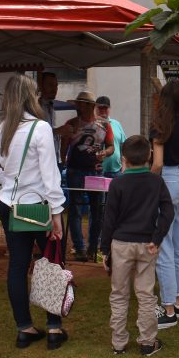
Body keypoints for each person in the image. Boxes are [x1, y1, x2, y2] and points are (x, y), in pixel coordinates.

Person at [0, 73, 67, 350]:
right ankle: (53, 328)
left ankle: (24, 328)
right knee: (52, 262)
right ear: (32, 97)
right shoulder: (40, 128)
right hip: (40, 204)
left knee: (17, 265)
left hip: (10, 203)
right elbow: (50, 174)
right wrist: (57, 212)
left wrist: (7, 179)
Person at [100, 135, 174, 357]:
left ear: (124, 159)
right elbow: (168, 211)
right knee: (145, 294)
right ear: (149, 156)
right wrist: (157, 238)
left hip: (120, 244)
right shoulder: (156, 181)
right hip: (147, 245)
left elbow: (108, 220)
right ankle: (147, 343)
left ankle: (119, 343)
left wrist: (105, 251)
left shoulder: (117, 183)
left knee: (119, 294)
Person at [150, 79, 179, 330]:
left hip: (167, 180)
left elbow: (157, 164)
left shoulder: (160, 126)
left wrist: (147, 186)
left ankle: (167, 310)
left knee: (163, 246)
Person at [61, 89, 114, 262]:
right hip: (75, 170)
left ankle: (92, 248)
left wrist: (104, 153)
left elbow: (111, 146)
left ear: (89, 106)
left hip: (95, 170)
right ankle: (80, 248)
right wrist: (64, 162)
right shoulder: (71, 123)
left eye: (80, 104)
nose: (78, 107)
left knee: (97, 209)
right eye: (78, 104)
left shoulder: (104, 125)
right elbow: (64, 145)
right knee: (75, 209)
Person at [96, 96, 126, 179]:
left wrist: (123, 167)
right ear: (95, 108)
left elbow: (123, 146)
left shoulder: (117, 124)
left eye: (105, 108)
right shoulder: (92, 124)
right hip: (98, 171)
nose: (103, 111)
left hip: (117, 171)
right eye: (100, 108)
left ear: (109, 108)